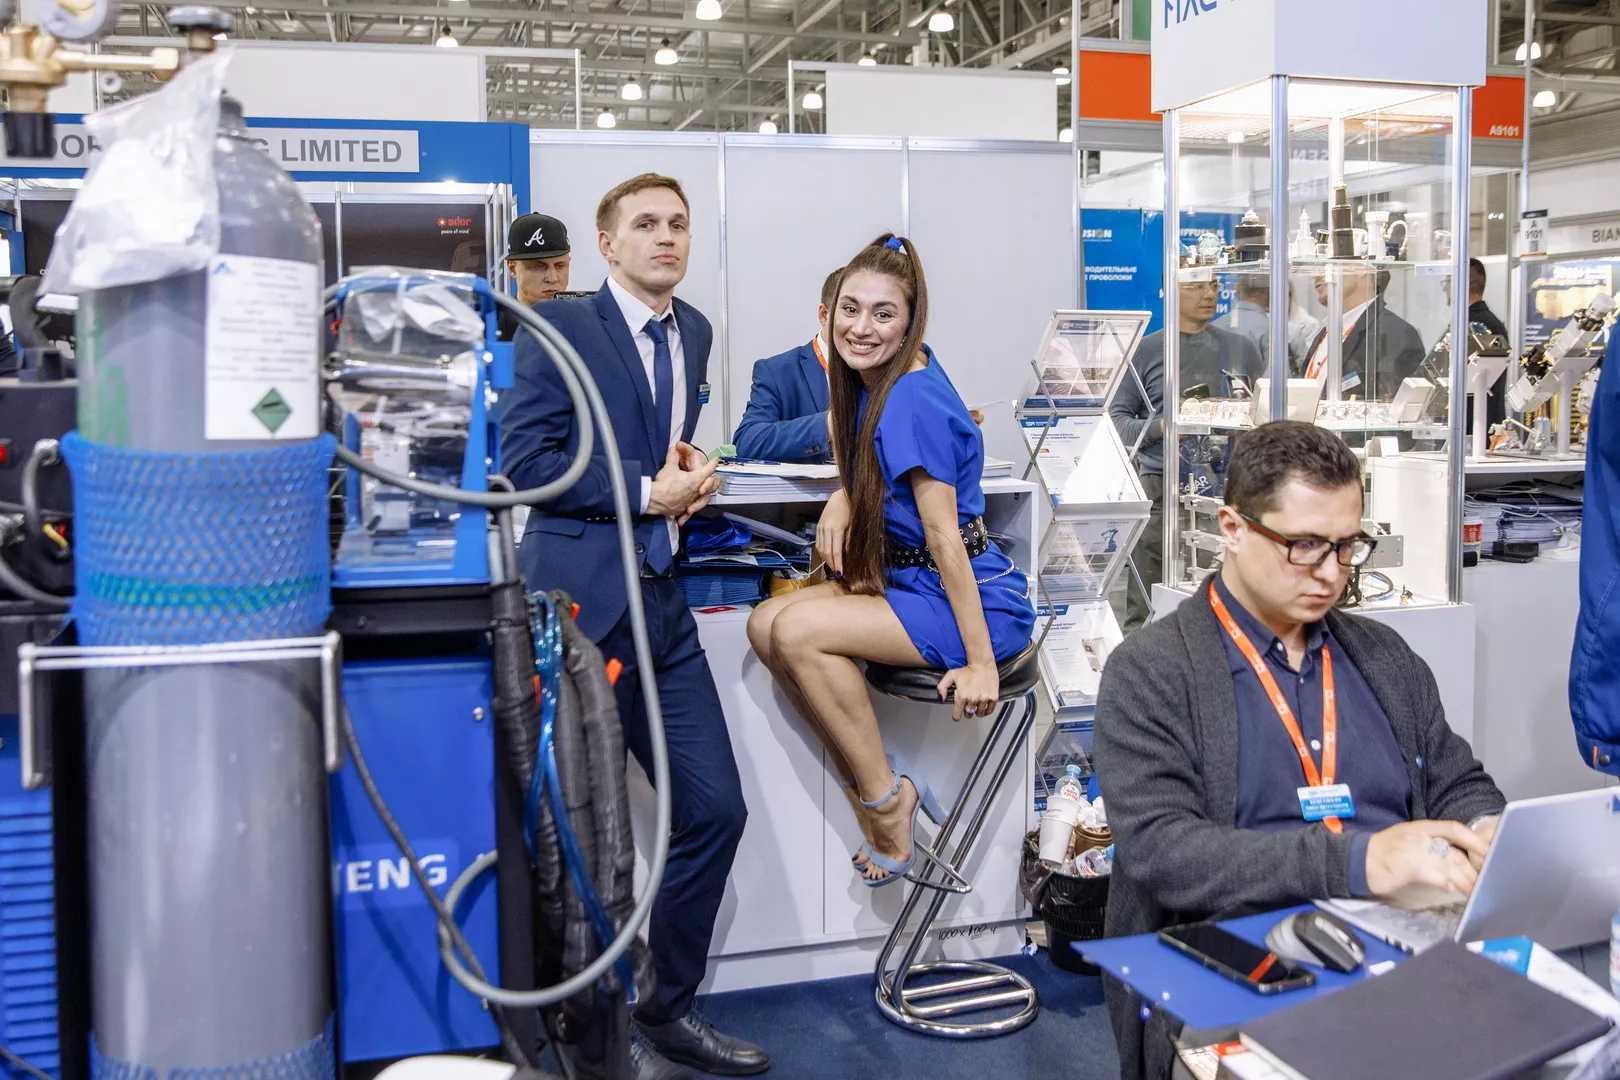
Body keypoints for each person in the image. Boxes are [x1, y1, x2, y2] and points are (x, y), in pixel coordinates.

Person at [1092, 420, 1507, 1080]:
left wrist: (1487, 834)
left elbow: (1458, 781)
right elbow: (1164, 853)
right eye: (1306, 546)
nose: (1332, 573)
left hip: (1401, 937)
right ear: (1231, 527)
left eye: (1347, 546)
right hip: (1240, 958)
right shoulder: (1152, 672)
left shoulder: (1384, 657)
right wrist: (1360, 861)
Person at [499, 174, 768, 1080]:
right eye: (645, 224)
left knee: (714, 809)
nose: (666, 237)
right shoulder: (559, 328)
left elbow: (655, 440)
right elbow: (527, 464)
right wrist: (647, 490)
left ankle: (665, 1007)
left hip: (660, 603)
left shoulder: (696, 331)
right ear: (607, 245)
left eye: (678, 224)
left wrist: (682, 475)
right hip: (572, 610)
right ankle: (575, 1036)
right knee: (568, 839)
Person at [744, 234, 1035, 884]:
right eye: (851, 309)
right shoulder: (884, 379)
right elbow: (888, 466)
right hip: (910, 580)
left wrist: (979, 663)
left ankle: (885, 803)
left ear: (911, 323)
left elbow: (946, 537)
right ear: (828, 313)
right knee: (765, 624)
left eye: (883, 314)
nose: (861, 327)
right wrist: (848, 492)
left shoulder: (909, 396)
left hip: (965, 599)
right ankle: (871, 791)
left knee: (794, 629)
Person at [1109, 280, 1264, 633]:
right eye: (1195, 286)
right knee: (1147, 606)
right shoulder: (1146, 351)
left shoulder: (1241, 348)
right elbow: (1117, 422)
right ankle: (1140, 664)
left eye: (1213, 285)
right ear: (1171, 290)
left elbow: (1264, 413)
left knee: (1226, 601)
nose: (1208, 295)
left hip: (1227, 488)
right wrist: (1164, 427)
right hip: (1162, 486)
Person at [732, 269, 841, 463]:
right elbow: (748, 442)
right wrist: (828, 425)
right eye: (850, 311)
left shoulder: (885, 370)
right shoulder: (777, 371)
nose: (861, 326)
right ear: (824, 315)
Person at [1298, 266, 1425, 400]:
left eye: (1327, 264)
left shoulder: (1394, 334)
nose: (1314, 275)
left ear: (1360, 269)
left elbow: (1398, 404)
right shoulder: (1328, 331)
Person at [496, 212, 574, 341]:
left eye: (560, 265)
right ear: (512, 268)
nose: (552, 278)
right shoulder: (494, 327)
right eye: (539, 267)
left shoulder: (582, 323)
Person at [1466, 258, 1512, 428]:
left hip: (1473, 422)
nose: (1445, 289)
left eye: (1449, 282)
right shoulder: (1494, 323)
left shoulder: (1471, 324)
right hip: (1489, 420)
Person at [1216, 278, 1271, 367]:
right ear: (1269, 290)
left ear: (1236, 288)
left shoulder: (1215, 325)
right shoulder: (1272, 330)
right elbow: (1278, 372)